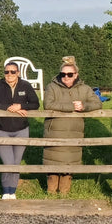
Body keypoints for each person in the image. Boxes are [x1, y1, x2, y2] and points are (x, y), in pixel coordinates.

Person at [42, 56, 102, 195]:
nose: (66, 77)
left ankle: (64, 192)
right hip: (55, 130)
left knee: (69, 161)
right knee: (52, 160)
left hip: (74, 130)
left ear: (76, 74)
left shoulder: (85, 89)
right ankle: (51, 191)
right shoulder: (52, 87)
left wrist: (84, 106)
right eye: (63, 74)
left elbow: (97, 103)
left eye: (70, 74)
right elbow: (48, 104)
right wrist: (71, 106)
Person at [0, 61, 40, 199]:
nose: (9, 74)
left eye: (12, 71)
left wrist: (21, 106)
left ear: (18, 73)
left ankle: (13, 190)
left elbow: (35, 103)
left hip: (21, 128)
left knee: (16, 162)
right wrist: (8, 107)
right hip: (1, 128)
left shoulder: (25, 85)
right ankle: (6, 190)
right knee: (8, 162)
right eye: (7, 72)